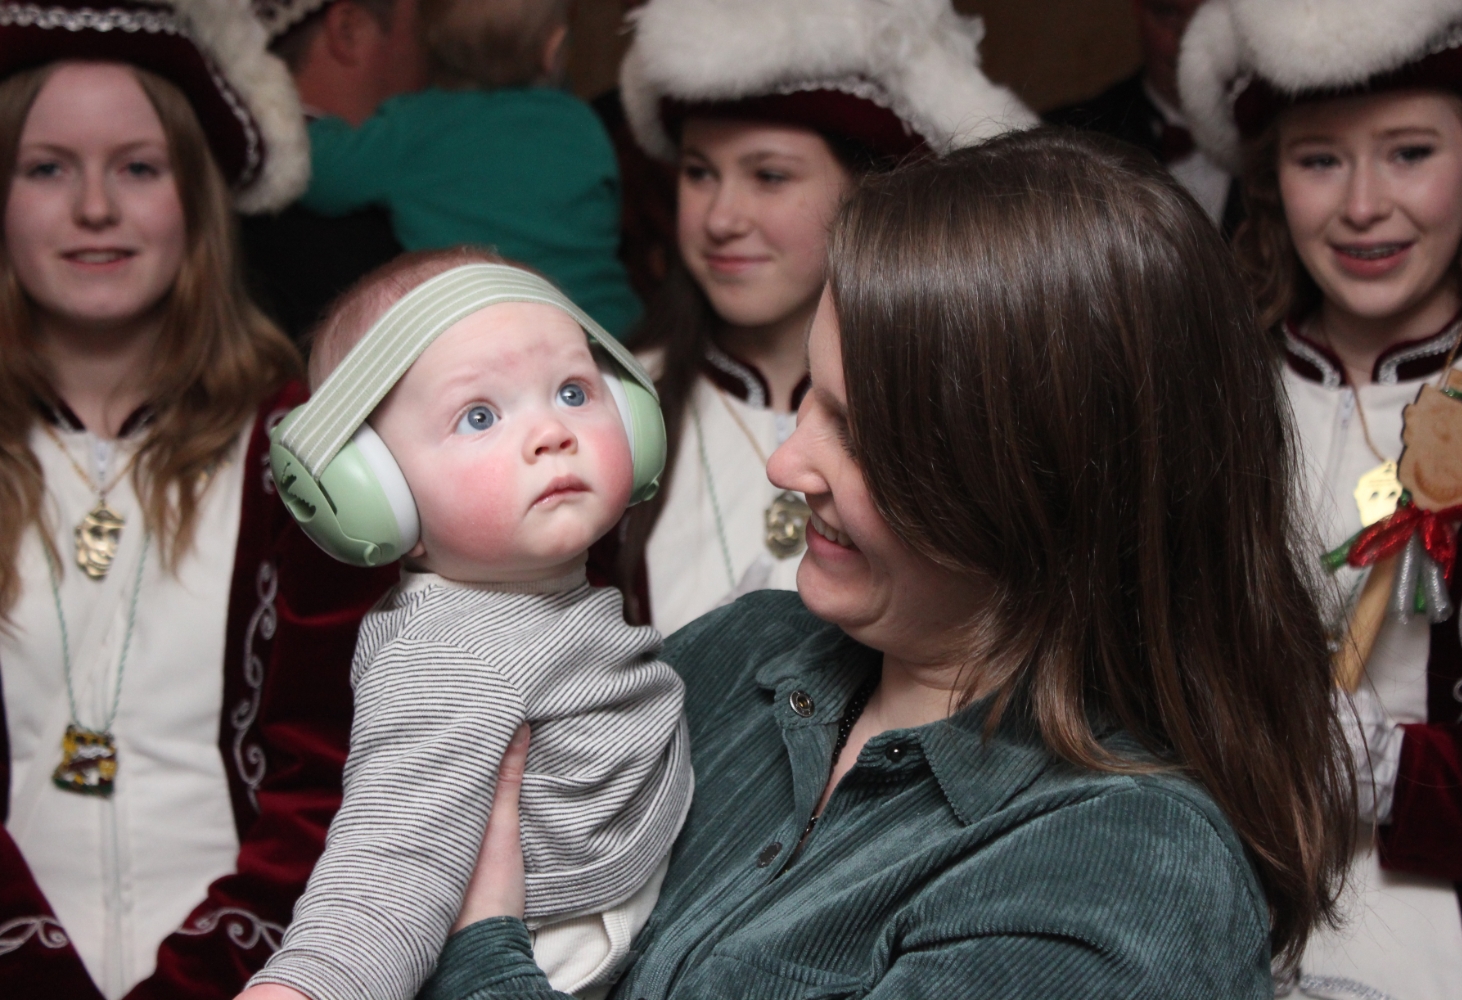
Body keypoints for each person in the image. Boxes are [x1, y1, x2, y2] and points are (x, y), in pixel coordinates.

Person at [417, 128, 1354, 1000]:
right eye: (810, 398)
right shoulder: (744, 652)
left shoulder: (1119, 876)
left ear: (1043, 488)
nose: (788, 464)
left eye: (860, 434)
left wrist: (479, 947)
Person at [0, 2, 396, 996]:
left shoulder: (304, 453)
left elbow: (341, 778)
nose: (95, 207)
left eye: (139, 167)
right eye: (47, 169)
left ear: (201, 196)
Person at [239, 252, 690, 1000]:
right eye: (479, 416)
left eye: (573, 391)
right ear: (374, 495)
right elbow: (387, 871)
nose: (551, 432)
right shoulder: (447, 659)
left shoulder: (539, 608)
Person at [1180, 1, 1462, 997]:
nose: (1363, 205)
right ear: (1270, 177)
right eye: (1319, 159)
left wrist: (1398, 774)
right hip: (1209, 925)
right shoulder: (1204, 399)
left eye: (1409, 153)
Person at [597, 0, 1037, 632]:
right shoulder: (610, 404)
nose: (721, 218)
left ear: (868, 192)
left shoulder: (944, 412)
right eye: (699, 173)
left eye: (769, 176)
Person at [295, 0, 641, 338]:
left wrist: (319, 127)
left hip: (487, 333)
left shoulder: (413, 128)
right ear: (553, 49)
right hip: (609, 327)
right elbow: (606, 218)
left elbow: (323, 175)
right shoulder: (582, 123)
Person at [240, 0, 427, 343]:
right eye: (423, 24)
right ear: (348, 30)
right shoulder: (376, 230)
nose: (437, 48)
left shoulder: (216, 185)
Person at [1046, 0, 1237, 230]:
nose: (1187, 35)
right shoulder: (1067, 140)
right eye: (1167, 12)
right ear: (1137, 11)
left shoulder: (1272, 132)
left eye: (1206, 14)